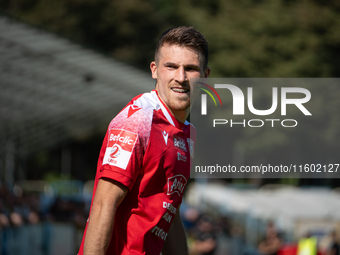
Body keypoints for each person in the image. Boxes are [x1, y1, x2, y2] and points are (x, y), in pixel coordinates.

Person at [78, 26, 210, 255]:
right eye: (171, 66)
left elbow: (170, 212)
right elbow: (103, 205)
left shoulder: (189, 135)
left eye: (190, 69)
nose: (181, 77)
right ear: (154, 70)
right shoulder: (137, 121)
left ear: (205, 77)